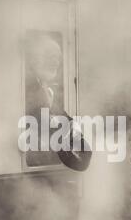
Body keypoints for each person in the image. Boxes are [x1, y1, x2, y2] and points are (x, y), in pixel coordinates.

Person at [24, 33, 91, 171]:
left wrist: (75, 130)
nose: (56, 62)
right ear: (35, 59)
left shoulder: (46, 89)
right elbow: (49, 128)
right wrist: (80, 157)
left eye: (58, 58)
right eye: (50, 56)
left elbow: (62, 117)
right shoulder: (29, 89)